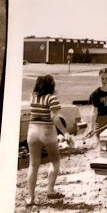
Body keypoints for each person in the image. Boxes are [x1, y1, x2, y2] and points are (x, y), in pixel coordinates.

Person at [26, 74, 71, 206]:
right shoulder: (52, 98)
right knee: (55, 161)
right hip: (47, 131)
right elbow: (55, 118)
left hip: (32, 131)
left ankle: (30, 198)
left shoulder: (32, 96)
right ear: (51, 85)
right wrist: (65, 132)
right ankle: (50, 190)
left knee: (33, 165)